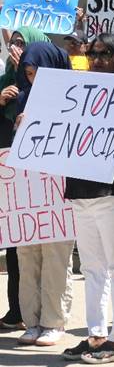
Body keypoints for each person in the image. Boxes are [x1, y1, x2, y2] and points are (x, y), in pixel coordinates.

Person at [61, 33, 114, 364]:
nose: (97, 60)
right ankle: (96, 335)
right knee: (93, 268)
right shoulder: (76, 95)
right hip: (82, 192)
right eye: (93, 53)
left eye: (105, 54)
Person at [12, 42, 75, 346]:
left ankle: (54, 320)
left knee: (55, 256)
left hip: (59, 193)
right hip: (28, 192)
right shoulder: (21, 100)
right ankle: (32, 319)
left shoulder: (74, 101)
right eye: (27, 73)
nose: (33, 79)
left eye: (38, 73)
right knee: (28, 255)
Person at [0, 26, 50, 331]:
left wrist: (27, 79)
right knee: (14, 244)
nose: (16, 48)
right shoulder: (4, 81)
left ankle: (41, 313)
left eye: (23, 43)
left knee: (37, 249)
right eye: (13, 42)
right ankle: (16, 309)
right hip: (8, 176)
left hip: (38, 181)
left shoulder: (47, 83)